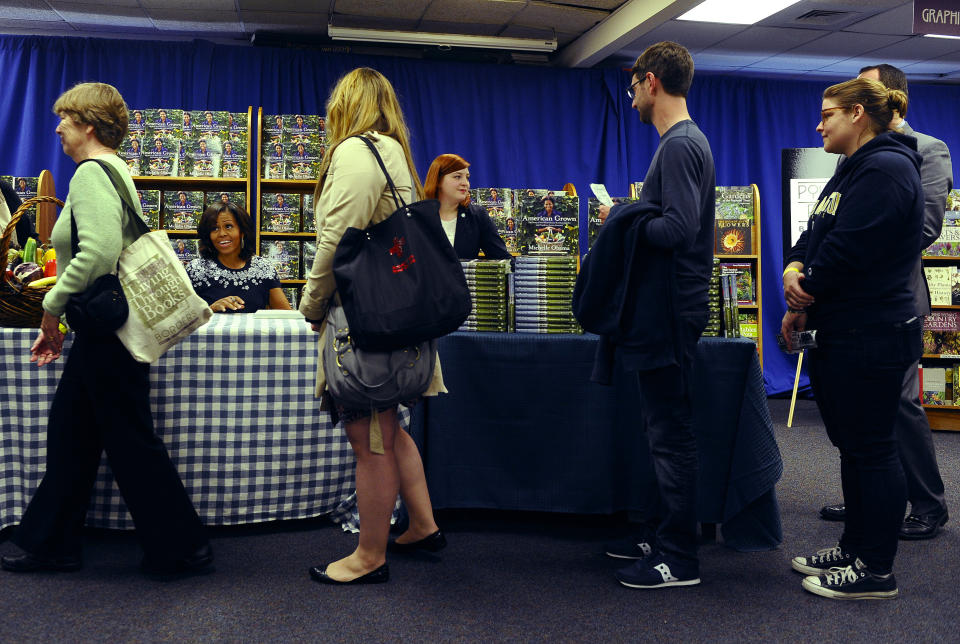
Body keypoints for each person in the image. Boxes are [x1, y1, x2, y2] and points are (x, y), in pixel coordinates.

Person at [0, 82, 212, 577]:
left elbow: (96, 253)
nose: (56, 128)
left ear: (87, 125)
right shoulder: (112, 170)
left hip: (106, 334)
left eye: (64, 120)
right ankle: (53, 543)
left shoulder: (92, 174)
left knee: (128, 440)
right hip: (106, 331)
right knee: (74, 435)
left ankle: (182, 547)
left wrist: (51, 307)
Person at [299, 67, 446, 586]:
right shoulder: (392, 153)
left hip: (365, 322)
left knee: (372, 440)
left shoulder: (354, 153)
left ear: (347, 105)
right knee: (391, 426)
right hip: (398, 320)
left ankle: (369, 556)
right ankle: (423, 526)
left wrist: (311, 305)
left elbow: (336, 243)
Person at [782, 78, 924, 600]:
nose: (818, 125)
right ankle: (854, 547)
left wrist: (803, 292)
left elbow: (848, 252)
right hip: (841, 330)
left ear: (858, 113)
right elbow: (813, 235)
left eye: (827, 115)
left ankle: (875, 570)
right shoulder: (851, 168)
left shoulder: (887, 168)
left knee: (873, 450)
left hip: (872, 334)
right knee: (853, 449)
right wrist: (793, 267)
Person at [798, 63, 952, 539]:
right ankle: (868, 499)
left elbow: (923, 228)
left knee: (899, 407)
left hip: (891, 301)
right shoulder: (855, 153)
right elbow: (830, 221)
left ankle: (928, 504)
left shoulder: (926, 149)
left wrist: (853, 259)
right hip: (848, 304)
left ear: (881, 98)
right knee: (858, 416)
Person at [597, 41, 715, 590]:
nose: (633, 99)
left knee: (671, 434)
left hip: (671, 312)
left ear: (650, 82)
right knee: (660, 430)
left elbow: (678, 230)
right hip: (666, 310)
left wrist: (623, 217)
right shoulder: (680, 145)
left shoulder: (679, 146)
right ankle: (662, 533)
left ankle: (679, 557)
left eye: (634, 87)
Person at [186, 202, 290, 313]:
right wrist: (211, 309)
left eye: (228, 226)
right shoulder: (195, 269)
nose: (222, 233)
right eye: (214, 228)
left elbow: (286, 316)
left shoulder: (263, 268)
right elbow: (181, 320)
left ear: (242, 231)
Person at [423, 153, 511, 260]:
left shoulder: (477, 216)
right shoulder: (417, 217)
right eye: (457, 177)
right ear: (438, 180)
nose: (465, 183)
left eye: (467, 178)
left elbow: (503, 260)